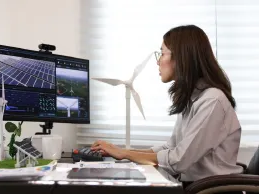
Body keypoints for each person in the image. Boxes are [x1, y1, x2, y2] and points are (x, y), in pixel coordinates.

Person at [91, 25, 244, 189]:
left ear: (181, 58)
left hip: (209, 190)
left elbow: (179, 160)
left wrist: (125, 153)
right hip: (195, 186)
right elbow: (170, 148)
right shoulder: (193, 98)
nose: (158, 61)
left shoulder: (212, 101)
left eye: (162, 53)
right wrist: (121, 152)